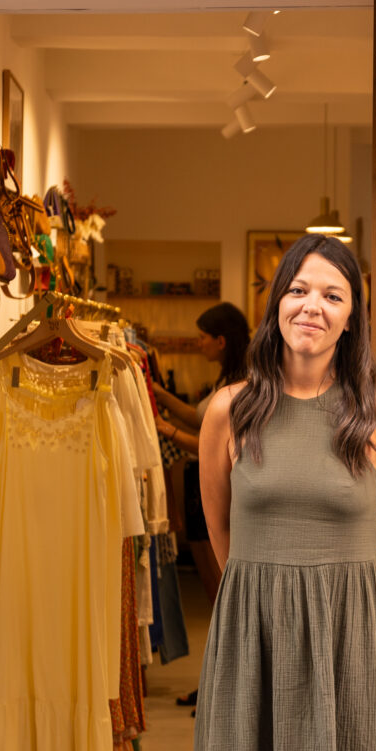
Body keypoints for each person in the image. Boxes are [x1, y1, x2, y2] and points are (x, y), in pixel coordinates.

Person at [193, 234, 376, 751]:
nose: (312, 307)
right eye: (298, 290)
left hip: (348, 639)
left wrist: (367, 614)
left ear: (351, 319)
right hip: (250, 638)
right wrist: (263, 596)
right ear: (277, 303)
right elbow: (220, 530)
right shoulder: (228, 410)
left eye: (333, 295)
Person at [151, 301, 249, 709]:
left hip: (217, 487)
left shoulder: (244, 383)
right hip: (202, 485)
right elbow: (200, 417)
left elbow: (221, 445)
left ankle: (226, 690)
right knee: (216, 593)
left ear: (221, 341)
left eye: (202, 337)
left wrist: (165, 429)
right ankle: (216, 685)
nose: (198, 343)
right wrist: (157, 393)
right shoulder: (227, 378)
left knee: (222, 592)